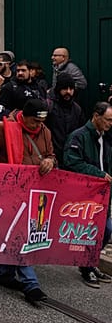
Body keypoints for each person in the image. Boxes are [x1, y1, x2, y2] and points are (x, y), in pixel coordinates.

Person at [0, 98, 54, 304]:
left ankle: (6, 275)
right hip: (9, 193)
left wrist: (50, 161)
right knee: (19, 236)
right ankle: (31, 284)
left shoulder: (45, 131)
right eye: (34, 122)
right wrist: (6, 175)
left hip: (34, 193)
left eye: (40, 123)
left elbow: (51, 155)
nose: (38, 126)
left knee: (21, 234)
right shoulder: (3, 129)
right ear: (24, 117)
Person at [62, 102, 112, 288]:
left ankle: (91, 262)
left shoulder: (106, 138)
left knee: (106, 229)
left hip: (103, 194)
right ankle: (86, 266)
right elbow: (71, 161)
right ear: (96, 116)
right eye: (107, 120)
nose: (110, 124)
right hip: (85, 194)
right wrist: (99, 175)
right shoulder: (78, 137)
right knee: (90, 231)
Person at [47, 73, 84, 163]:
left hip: (71, 157)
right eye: (64, 88)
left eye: (71, 89)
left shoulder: (77, 110)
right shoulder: (49, 107)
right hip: (53, 157)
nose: (68, 92)